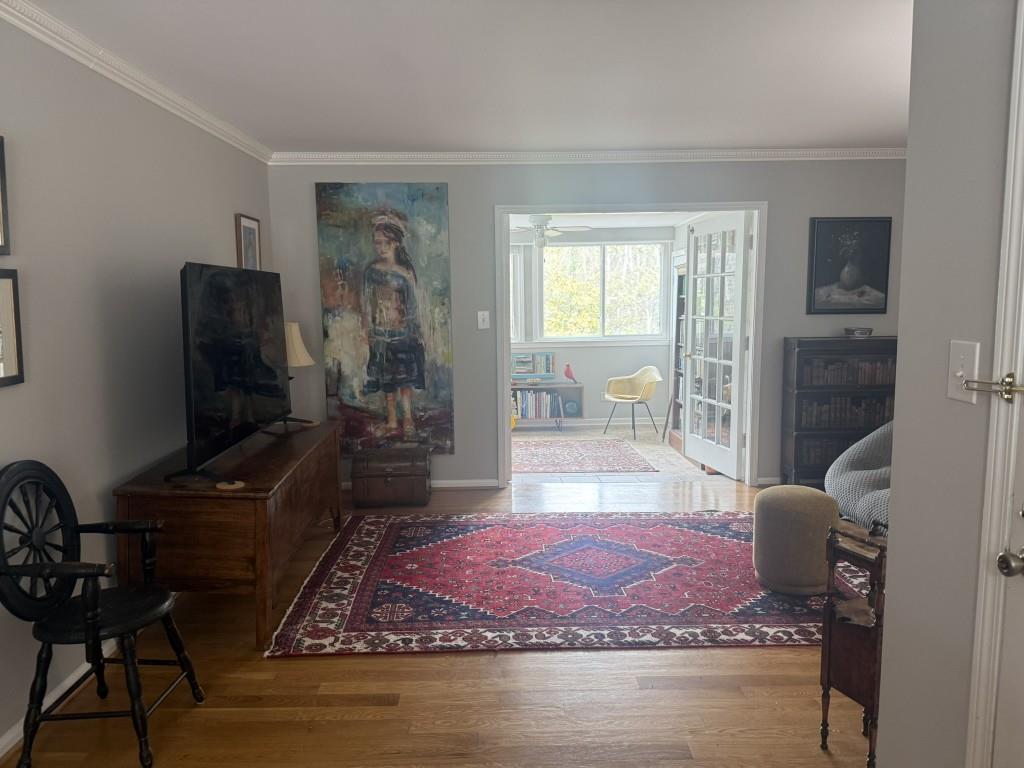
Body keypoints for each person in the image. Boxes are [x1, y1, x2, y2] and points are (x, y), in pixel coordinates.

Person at [362, 211, 426, 438]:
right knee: (386, 380)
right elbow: (367, 302)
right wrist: (368, 329)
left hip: (402, 334)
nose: (381, 247)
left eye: (386, 243)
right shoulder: (371, 273)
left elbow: (412, 306)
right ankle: (391, 420)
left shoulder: (404, 274)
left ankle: (407, 418)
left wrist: (414, 330)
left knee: (403, 379)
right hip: (380, 334)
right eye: (377, 243)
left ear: (396, 243)